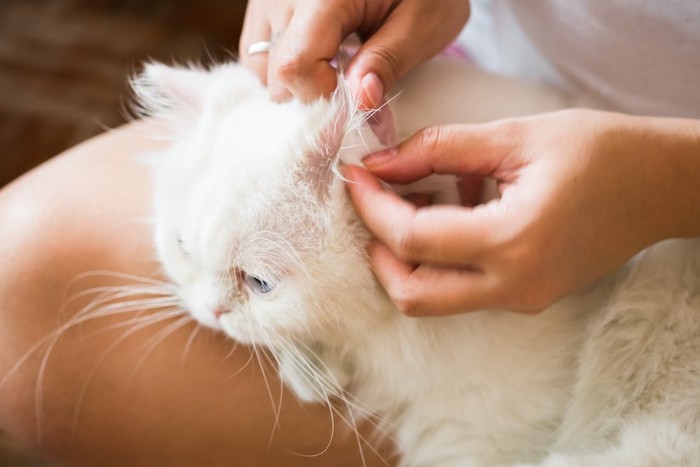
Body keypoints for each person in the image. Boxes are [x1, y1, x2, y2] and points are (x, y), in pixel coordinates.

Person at [0, 0, 697, 465]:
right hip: (454, 68)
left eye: (258, 280)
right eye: (184, 247)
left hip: (667, 216)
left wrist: (669, 184)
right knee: (17, 283)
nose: (209, 307)